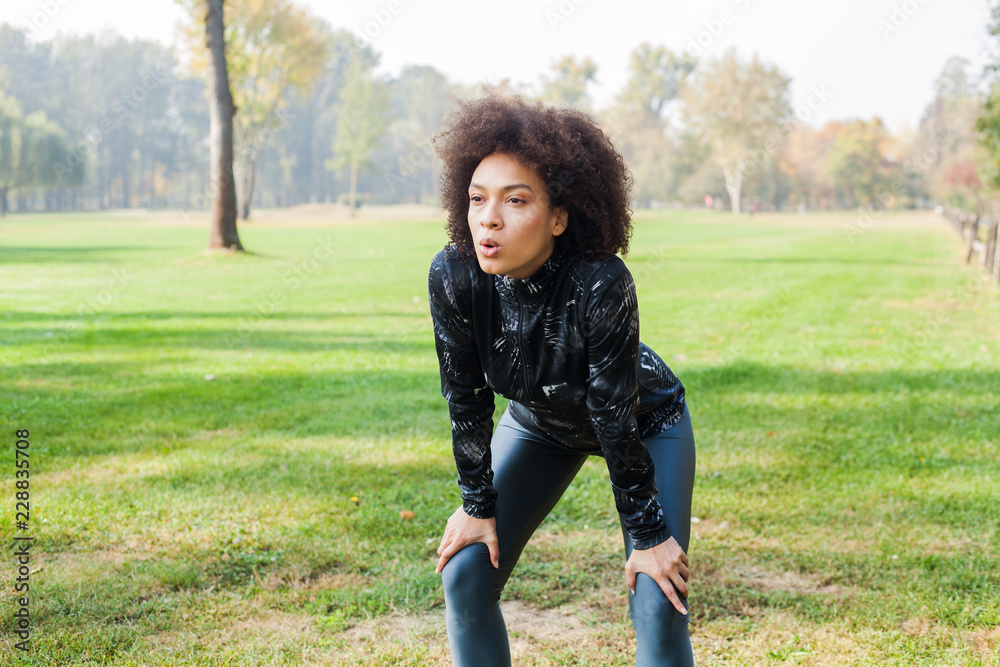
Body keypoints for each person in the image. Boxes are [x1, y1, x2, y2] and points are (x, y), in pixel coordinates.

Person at [427, 92, 696, 667]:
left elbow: (612, 413)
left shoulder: (601, 282)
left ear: (559, 216)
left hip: (643, 423)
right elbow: (466, 397)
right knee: (466, 575)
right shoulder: (454, 274)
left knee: (656, 596)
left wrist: (648, 537)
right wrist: (477, 504)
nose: (488, 219)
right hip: (540, 423)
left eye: (514, 200)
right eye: (477, 199)